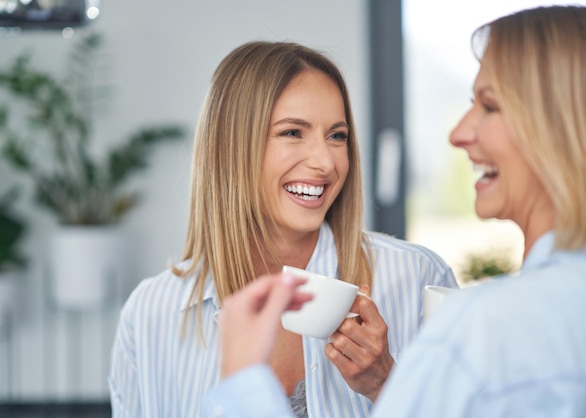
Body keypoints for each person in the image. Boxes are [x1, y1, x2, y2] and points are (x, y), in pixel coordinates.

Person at [200, 5, 586, 417]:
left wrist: (242, 383)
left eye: (489, 106)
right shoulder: (150, 313)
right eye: (293, 132)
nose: (457, 134)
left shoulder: (473, 322)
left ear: (561, 123)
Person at [108, 41, 457, 417]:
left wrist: (385, 383)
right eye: (293, 132)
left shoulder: (418, 279)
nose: (325, 163)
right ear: (231, 146)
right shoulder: (150, 313)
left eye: (337, 136)